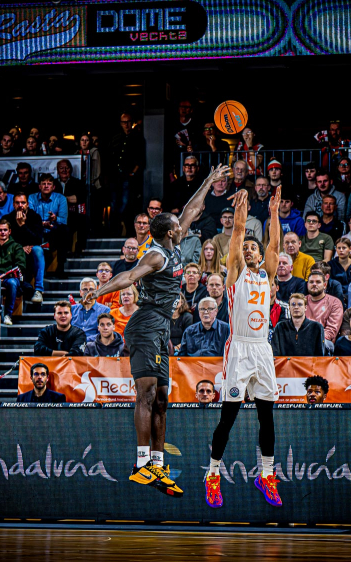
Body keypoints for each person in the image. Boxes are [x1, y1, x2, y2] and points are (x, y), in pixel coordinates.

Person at [84, 164, 229, 497]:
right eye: (178, 226)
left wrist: (208, 181)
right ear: (169, 232)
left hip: (161, 327)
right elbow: (128, 277)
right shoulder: (155, 255)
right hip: (146, 325)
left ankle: (158, 465)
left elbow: (191, 210)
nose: (183, 226)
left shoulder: (173, 243)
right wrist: (99, 290)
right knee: (147, 395)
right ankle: (141, 465)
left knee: (163, 400)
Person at [204, 187, 285, 509]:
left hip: (262, 348)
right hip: (238, 348)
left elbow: (275, 244)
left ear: (260, 255)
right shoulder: (235, 274)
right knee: (229, 417)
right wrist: (243, 208)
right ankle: (212, 474)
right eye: (247, 248)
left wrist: (274, 212)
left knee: (267, 417)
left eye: (255, 247)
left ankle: (267, 475)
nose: (250, 250)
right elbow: (238, 231)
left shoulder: (267, 274)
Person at [305, 270, 344, 347]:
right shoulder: (302, 301)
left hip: (323, 341)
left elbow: (331, 330)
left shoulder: (334, 302)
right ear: (307, 285)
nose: (314, 284)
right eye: (311, 282)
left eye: (318, 282)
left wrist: (312, 339)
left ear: (325, 285)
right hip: (302, 339)